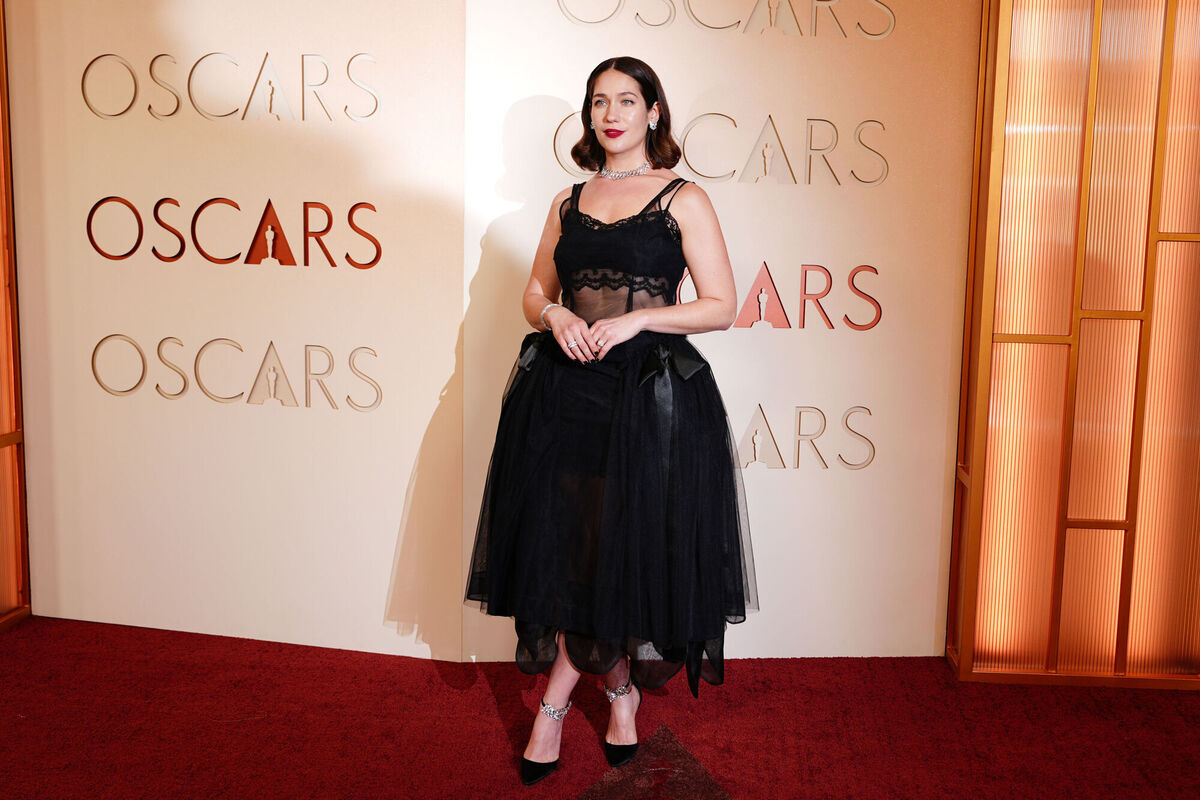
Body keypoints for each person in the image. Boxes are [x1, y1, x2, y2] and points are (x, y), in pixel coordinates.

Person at [465, 56, 758, 786]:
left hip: (651, 398)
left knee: (621, 551)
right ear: (589, 115)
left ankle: (556, 706)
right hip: (565, 398)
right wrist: (557, 311)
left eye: (628, 100)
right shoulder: (568, 200)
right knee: (578, 553)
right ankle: (620, 695)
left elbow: (721, 305)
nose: (612, 113)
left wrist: (640, 323)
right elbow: (536, 291)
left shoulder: (683, 197)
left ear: (654, 112)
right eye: (599, 101)